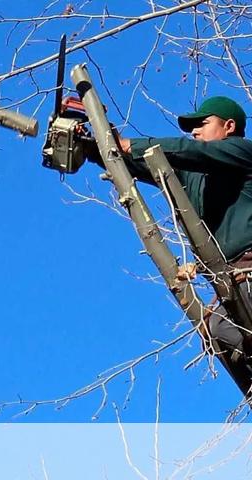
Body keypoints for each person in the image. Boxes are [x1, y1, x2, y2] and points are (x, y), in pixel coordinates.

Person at [88, 96, 252, 363]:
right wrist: (96, 145)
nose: (195, 131)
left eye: (202, 124)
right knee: (220, 332)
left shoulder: (243, 152)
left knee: (222, 328)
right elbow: (148, 166)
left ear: (229, 126)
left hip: (249, 271)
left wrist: (131, 145)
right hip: (232, 282)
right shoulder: (195, 177)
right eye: (192, 128)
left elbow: (191, 152)